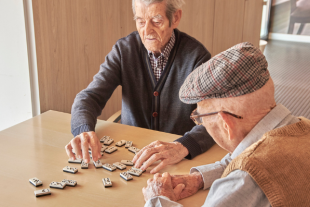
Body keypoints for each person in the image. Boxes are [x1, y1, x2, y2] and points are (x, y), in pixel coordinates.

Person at [142, 42, 310, 207]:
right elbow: (245, 153)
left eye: (200, 118)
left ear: (225, 123)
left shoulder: (245, 179)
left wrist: (158, 200)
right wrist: (199, 179)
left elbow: (249, 167)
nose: (202, 124)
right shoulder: (303, 127)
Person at [65, 0, 215, 173]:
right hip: (130, 157)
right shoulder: (124, 50)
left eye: (156, 21)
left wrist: (182, 146)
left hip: (175, 161)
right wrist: (83, 130)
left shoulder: (197, 57)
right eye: (140, 21)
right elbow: (88, 97)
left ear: (175, 18)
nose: (147, 31)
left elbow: (212, 118)